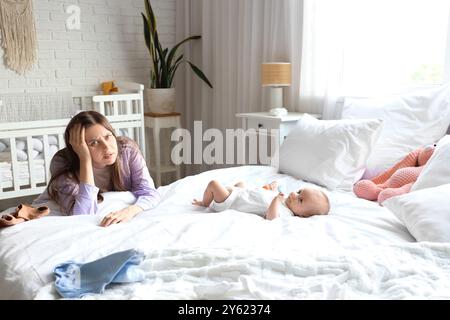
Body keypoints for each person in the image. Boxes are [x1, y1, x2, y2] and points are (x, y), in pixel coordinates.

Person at [35, 111, 160, 227]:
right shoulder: (62, 162)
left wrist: (129, 211)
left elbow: (149, 192)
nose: (107, 147)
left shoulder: (127, 150)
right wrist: (85, 159)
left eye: (108, 136)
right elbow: (82, 215)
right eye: (93, 143)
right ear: (78, 149)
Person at [192, 180, 330, 220]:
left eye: (300, 200)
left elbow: (272, 217)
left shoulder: (284, 211)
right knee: (241, 183)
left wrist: (276, 200)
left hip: (230, 202)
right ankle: (230, 188)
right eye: (299, 192)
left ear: (303, 215)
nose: (294, 194)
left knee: (213, 184)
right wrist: (270, 187)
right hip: (241, 193)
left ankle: (205, 203)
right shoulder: (283, 198)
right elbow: (261, 195)